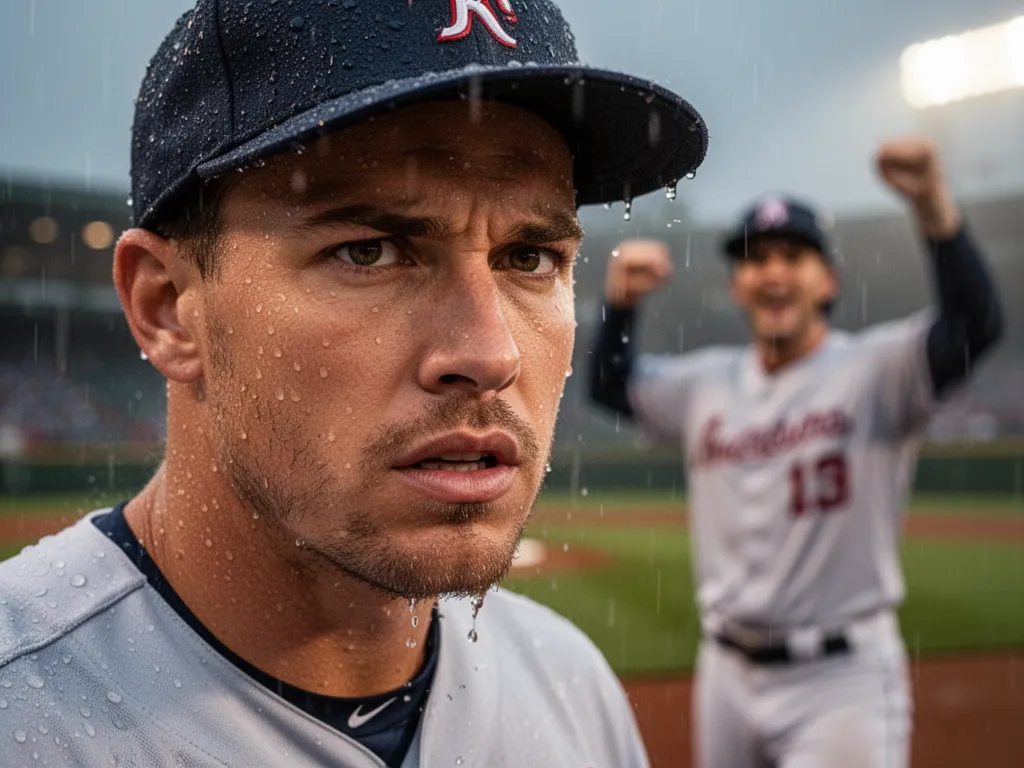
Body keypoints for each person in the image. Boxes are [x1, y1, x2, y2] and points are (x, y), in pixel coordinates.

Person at [0, 1, 710, 765]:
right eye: (369, 252)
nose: (490, 352)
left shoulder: (573, 690)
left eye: (530, 257)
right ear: (169, 309)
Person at [589, 138, 1004, 768]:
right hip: (725, 669)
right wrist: (620, 305)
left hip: (841, 681)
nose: (774, 272)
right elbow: (609, 385)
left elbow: (976, 325)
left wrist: (932, 206)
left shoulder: (876, 370)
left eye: (793, 256)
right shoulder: (707, 383)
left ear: (828, 280)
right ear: (738, 286)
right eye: (756, 260)